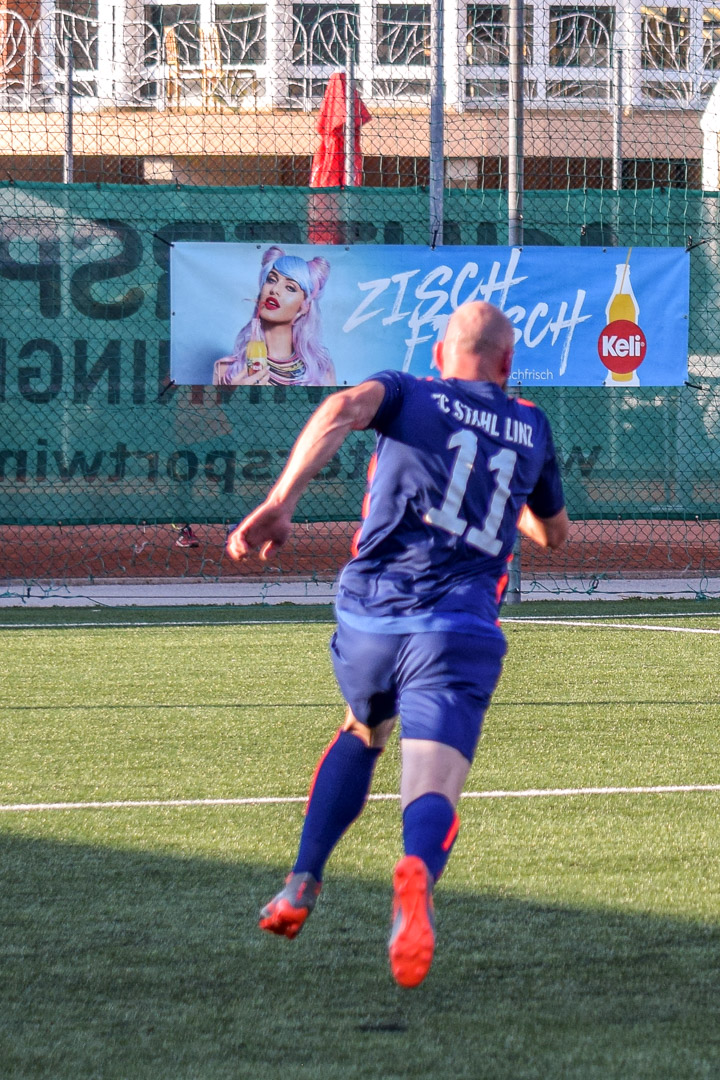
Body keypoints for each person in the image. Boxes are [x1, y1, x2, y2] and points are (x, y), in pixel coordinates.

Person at [227, 300, 568, 988]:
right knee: (432, 782)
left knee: (363, 728)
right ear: (507, 364)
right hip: (457, 629)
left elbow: (338, 410)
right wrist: (505, 500)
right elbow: (553, 533)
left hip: (372, 619)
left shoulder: (407, 391)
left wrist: (282, 501)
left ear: (440, 355)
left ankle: (301, 881)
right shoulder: (531, 425)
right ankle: (415, 875)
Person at [214, 247, 337, 386]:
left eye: (290, 287)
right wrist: (237, 395)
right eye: (271, 280)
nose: (274, 290)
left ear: (304, 307)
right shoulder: (225, 370)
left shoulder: (322, 370)